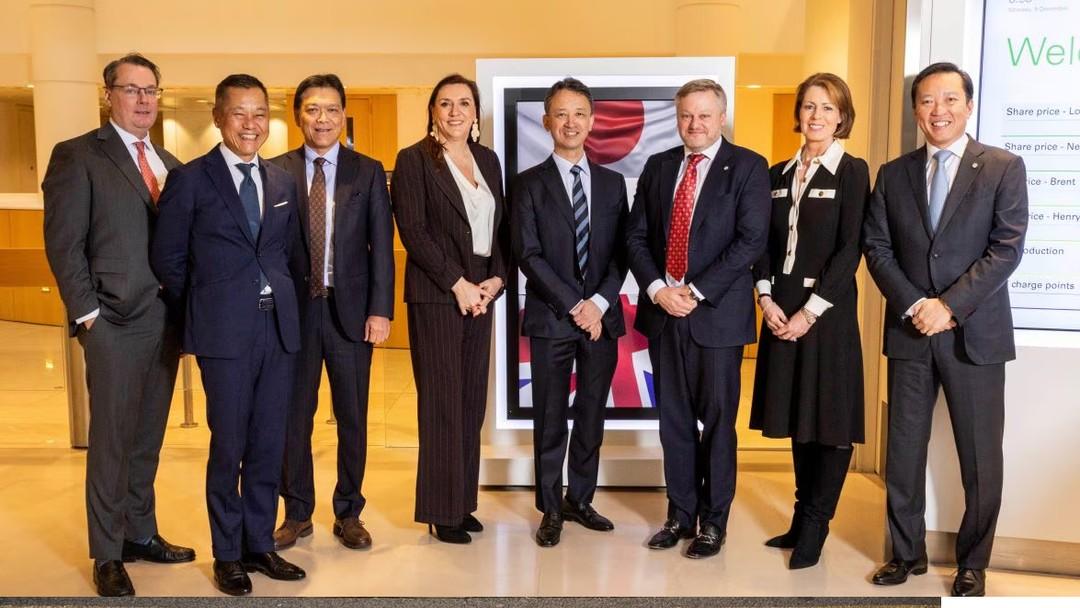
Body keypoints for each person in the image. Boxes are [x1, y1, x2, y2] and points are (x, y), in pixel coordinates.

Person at [863, 62, 1028, 598]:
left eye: (950, 99)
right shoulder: (894, 173)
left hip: (974, 336)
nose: (939, 110)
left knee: (980, 458)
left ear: (969, 105)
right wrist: (917, 305)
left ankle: (973, 563)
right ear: (916, 109)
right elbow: (877, 248)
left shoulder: (1003, 167)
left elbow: (1006, 249)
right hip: (910, 333)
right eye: (928, 101)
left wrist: (949, 307)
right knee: (903, 453)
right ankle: (905, 554)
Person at [42, 52, 195, 597]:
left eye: (151, 90)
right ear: (108, 95)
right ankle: (107, 553)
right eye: (132, 89)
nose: (143, 100)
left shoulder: (171, 164)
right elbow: (64, 244)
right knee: (110, 442)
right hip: (112, 322)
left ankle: (140, 533)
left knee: (147, 438)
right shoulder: (79, 155)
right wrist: (88, 316)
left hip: (164, 322)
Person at [150, 74, 307, 596]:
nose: (250, 123)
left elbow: (288, 254)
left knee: (269, 441)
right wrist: (206, 310)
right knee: (229, 444)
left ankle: (259, 542)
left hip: (277, 328)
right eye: (239, 112)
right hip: (224, 334)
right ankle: (228, 553)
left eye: (259, 113)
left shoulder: (281, 181)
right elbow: (169, 260)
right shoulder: (191, 179)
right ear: (219, 117)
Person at [626, 79, 770, 559]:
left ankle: (714, 522)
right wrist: (658, 289)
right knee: (674, 423)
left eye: (705, 115)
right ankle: (679, 515)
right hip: (665, 314)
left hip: (717, 317)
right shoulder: (658, 165)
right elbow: (635, 237)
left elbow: (751, 240)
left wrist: (694, 290)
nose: (695, 124)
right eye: (686, 115)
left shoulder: (748, 167)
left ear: (721, 117)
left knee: (719, 424)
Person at [269, 74, 394, 552]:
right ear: (298, 115)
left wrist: (380, 310)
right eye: (313, 109)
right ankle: (297, 512)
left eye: (331, 109)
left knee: (353, 417)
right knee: (293, 419)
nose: (322, 119)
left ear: (343, 115)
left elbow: (381, 247)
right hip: (294, 316)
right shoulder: (276, 170)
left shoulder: (368, 171)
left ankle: (349, 512)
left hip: (351, 314)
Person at [749, 73, 869, 569]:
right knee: (798, 416)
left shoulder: (852, 172)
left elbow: (850, 249)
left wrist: (809, 312)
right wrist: (765, 297)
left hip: (827, 314)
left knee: (830, 420)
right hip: (780, 310)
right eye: (809, 106)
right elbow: (760, 243)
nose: (816, 116)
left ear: (842, 117)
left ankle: (817, 523)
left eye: (827, 108)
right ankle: (801, 517)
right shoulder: (776, 174)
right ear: (798, 113)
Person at [510, 77, 629, 548]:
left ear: (593, 121)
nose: (570, 122)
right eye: (561, 114)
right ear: (546, 122)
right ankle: (551, 508)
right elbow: (528, 254)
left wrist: (598, 304)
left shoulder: (613, 184)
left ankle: (581, 499)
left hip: (601, 320)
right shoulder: (527, 184)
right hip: (552, 317)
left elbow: (624, 252)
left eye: (579, 113)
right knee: (550, 417)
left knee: (592, 415)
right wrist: (576, 304)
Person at [391, 73, 508, 544]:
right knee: (442, 403)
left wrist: (496, 280)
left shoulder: (487, 159)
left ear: (476, 112)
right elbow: (413, 230)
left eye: (464, 103)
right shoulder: (414, 159)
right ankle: (441, 511)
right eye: (445, 103)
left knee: (470, 402)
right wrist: (457, 284)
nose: (455, 111)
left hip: (482, 292)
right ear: (433, 111)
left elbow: (501, 226)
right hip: (438, 292)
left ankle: (462, 502)